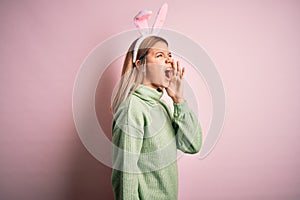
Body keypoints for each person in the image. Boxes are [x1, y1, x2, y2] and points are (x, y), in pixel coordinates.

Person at [111, 35, 202, 200]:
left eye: (169, 56)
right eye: (160, 55)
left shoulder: (162, 106)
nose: (168, 61)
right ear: (140, 66)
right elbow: (125, 174)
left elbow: (192, 145)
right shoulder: (133, 108)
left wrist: (179, 100)